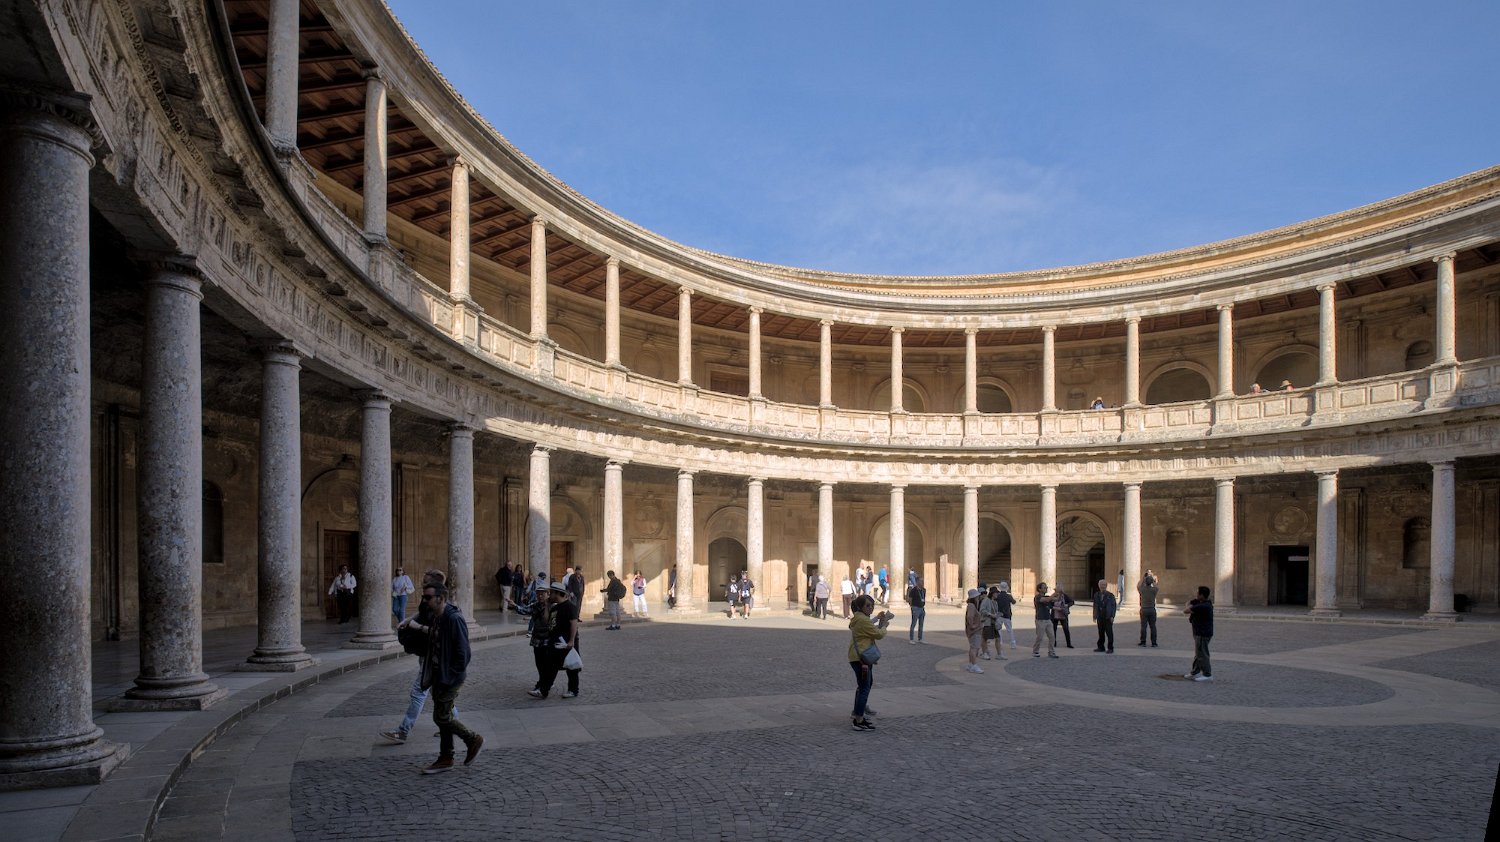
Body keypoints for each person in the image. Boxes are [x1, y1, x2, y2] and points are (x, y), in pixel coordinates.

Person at [380, 570, 459, 745]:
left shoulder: (445, 609)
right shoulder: (429, 601)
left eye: (426, 583)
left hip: (434, 656)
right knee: (438, 692)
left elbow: (441, 633)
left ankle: (403, 730)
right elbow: (423, 614)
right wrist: (409, 620)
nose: (423, 587)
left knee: (418, 692)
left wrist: (417, 627)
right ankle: (452, 724)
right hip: (427, 653)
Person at [413, 583, 483, 773]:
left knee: (441, 716)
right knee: (445, 715)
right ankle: (446, 757)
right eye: (424, 597)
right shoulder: (437, 617)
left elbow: (464, 653)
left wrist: (450, 676)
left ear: (441, 599)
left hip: (449, 678)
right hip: (438, 674)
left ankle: (472, 738)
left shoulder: (454, 618)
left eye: (428, 597)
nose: (424, 601)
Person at [529, 581, 581, 698]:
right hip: (555, 641)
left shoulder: (570, 606)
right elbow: (547, 620)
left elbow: (573, 624)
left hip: (567, 642)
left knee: (571, 666)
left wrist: (571, 641)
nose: (549, 595)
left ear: (557, 593)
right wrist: (547, 606)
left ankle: (573, 690)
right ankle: (543, 690)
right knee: (551, 666)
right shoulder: (554, 607)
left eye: (551, 593)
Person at [847, 594, 891, 732]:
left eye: (872, 605)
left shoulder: (859, 618)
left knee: (863, 685)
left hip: (857, 656)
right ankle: (858, 720)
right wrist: (884, 625)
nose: (871, 607)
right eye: (868, 605)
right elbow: (879, 634)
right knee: (865, 686)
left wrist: (877, 619)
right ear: (860, 607)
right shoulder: (863, 620)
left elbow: (868, 625)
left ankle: (857, 711)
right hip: (861, 658)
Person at [1185, 585, 1214, 681]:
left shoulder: (1203, 606)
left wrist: (1190, 607)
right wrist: (1191, 605)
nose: (1196, 594)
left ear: (1202, 595)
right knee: (1199, 653)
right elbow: (1189, 602)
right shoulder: (1201, 603)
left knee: (1203, 654)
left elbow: (1186, 610)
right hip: (1199, 632)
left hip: (1203, 633)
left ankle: (1207, 674)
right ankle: (1195, 671)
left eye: (1198, 593)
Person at [1032, 582, 1058, 658]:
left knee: (1052, 636)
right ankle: (1035, 651)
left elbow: (1055, 599)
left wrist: (1060, 592)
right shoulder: (1037, 597)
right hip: (1040, 620)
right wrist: (1055, 593)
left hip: (1048, 619)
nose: (1046, 588)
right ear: (1039, 589)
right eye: (1044, 587)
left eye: (1046, 587)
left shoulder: (1047, 597)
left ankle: (1051, 652)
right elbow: (1047, 600)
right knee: (1040, 637)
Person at [963, 588, 985, 673]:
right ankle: (974, 665)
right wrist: (972, 625)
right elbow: (969, 617)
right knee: (974, 648)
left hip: (975, 630)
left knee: (973, 647)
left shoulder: (971, 605)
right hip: (975, 630)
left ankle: (971, 664)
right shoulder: (972, 606)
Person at [1092, 579, 1117, 653]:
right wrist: (1094, 616)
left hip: (1108, 617)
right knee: (1101, 633)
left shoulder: (1110, 595)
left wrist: (1112, 616)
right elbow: (1095, 605)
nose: (1102, 586)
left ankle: (1110, 648)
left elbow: (1113, 606)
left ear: (1106, 586)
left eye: (1104, 585)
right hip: (1100, 616)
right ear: (1099, 586)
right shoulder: (1096, 595)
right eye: (1101, 585)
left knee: (1109, 633)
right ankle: (1101, 647)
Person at [1138, 571, 1160, 647]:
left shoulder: (1142, 590)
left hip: (1144, 609)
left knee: (1143, 626)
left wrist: (1143, 579)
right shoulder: (1154, 590)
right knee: (1153, 626)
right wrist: (1154, 581)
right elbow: (1157, 586)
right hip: (1152, 609)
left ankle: (1143, 642)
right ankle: (1154, 642)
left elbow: (1138, 585)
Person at [978, 586, 1000, 660]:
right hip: (988, 622)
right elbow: (982, 610)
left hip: (994, 622)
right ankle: (984, 653)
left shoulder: (995, 602)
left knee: (998, 638)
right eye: (996, 593)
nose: (997, 594)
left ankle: (999, 654)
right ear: (992, 593)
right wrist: (991, 615)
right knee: (985, 638)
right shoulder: (986, 600)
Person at [996, 581, 1019, 651]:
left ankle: (1000, 643)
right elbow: (1014, 602)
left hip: (999, 614)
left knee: (999, 630)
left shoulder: (997, 596)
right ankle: (1013, 644)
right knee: (1010, 630)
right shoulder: (1008, 596)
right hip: (1007, 614)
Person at [907, 574, 927, 644]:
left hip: (922, 608)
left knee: (921, 624)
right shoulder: (913, 590)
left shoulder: (924, 590)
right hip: (915, 608)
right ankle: (911, 639)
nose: (923, 582)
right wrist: (912, 607)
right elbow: (910, 599)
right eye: (921, 581)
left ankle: (920, 638)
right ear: (917, 582)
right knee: (913, 623)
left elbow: (923, 598)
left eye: (923, 581)